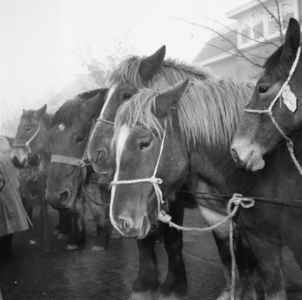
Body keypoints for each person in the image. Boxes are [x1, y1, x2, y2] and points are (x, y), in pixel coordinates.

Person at [0, 136, 32, 256]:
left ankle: (6, 248)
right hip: (4, 190)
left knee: (9, 221)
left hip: (10, 189)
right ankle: (5, 248)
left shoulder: (5, 141)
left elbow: (20, 162)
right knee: (4, 220)